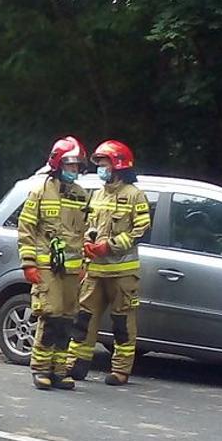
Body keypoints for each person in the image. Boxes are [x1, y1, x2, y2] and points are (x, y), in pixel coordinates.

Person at [73, 140, 151, 385]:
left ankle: (120, 370)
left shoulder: (135, 195)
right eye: (99, 164)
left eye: (104, 164)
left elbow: (141, 230)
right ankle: (76, 364)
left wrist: (110, 246)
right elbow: (88, 225)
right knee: (84, 319)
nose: (100, 169)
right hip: (95, 271)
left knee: (122, 323)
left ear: (118, 165)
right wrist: (88, 242)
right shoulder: (96, 195)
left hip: (122, 274)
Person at [17, 136, 90, 390]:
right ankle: (41, 369)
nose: (74, 170)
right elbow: (26, 228)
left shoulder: (81, 195)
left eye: (77, 165)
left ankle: (59, 371)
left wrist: (83, 263)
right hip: (46, 267)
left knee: (67, 319)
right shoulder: (40, 191)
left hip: (72, 270)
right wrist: (29, 263)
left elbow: (85, 231)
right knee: (50, 316)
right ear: (58, 164)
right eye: (70, 165)